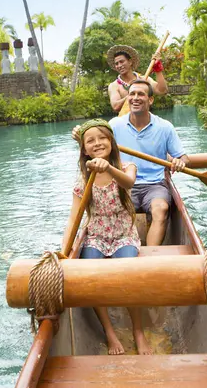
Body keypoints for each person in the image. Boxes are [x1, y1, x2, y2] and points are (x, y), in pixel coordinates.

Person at [62, 118, 152, 355]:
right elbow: (73, 220)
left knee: (128, 276)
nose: (98, 143)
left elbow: (129, 182)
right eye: (90, 141)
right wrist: (63, 252)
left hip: (124, 235)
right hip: (96, 237)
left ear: (112, 142)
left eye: (103, 138)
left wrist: (108, 167)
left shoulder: (126, 168)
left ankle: (138, 331)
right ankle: (110, 333)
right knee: (91, 278)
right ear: (83, 149)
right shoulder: (83, 181)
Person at [72, 80, 189, 246]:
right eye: (132, 94)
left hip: (155, 184)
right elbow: (95, 147)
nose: (135, 98)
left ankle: (149, 257)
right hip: (121, 183)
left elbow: (184, 158)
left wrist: (179, 161)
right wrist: (80, 137)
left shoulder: (165, 127)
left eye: (141, 94)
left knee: (161, 209)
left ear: (150, 100)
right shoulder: (114, 125)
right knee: (110, 211)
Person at [107, 45, 168, 113]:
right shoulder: (114, 86)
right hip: (125, 122)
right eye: (116, 63)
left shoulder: (145, 79)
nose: (119, 65)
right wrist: (132, 94)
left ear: (130, 62)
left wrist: (157, 69)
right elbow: (115, 106)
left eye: (122, 62)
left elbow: (162, 91)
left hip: (144, 121)